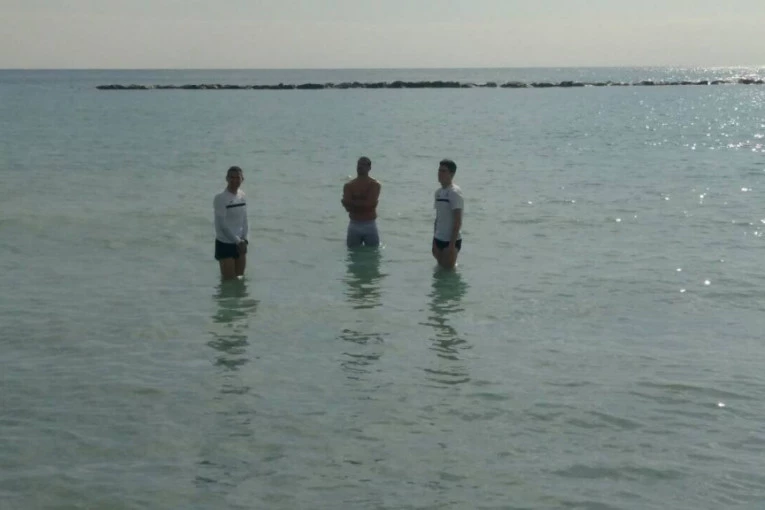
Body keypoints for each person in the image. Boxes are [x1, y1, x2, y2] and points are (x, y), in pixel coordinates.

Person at [213, 166, 249, 280]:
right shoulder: (220, 198)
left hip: (240, 243)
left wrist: (244, 239)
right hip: (225, 243)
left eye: (237, 177)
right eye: (231, 177)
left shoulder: (242, 195)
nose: (234, 180)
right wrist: (237, 241)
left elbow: (244, 219)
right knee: (228, 282)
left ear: (242, 179)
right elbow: (222, 225)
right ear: (227, 179)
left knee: (240, 279)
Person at [341, 157, 381, 248]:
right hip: (354, 224)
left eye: (363, 164)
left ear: (369, 168)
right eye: (359, 164)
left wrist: (352, 203)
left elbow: (370, 204)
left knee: (372, 254)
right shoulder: (349, 185)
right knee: (352, 254)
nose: (360, 166)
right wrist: (363, 203)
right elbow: (347, 207)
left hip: (369, 224)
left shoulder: (374, 184)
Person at [432, 159, 463, 269]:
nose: (439, 173)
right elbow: (438, 218)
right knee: (439, 272)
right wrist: (434, 241)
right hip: (438, 239)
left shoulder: (454, 192)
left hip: (450, 241)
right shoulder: (438, 193)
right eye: (439, 170)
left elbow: (458, 221)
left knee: (447, 273)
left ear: (452, 174)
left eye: (443, 171)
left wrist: (451, 246)